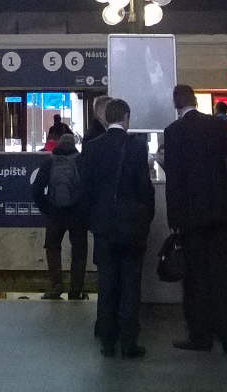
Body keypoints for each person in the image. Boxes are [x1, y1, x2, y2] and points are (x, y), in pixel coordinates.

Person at [164, 83, 227, 355]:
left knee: (196, 278)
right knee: (223, 275)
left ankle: (200, 336)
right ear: (196, 101)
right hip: (222, 213)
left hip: (191, 217)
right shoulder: (216, 126)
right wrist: (226, 186)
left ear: (176, 104)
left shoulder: (173, 132)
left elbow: (173, 180)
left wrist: (174, 218)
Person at [80, 98, 154, 358]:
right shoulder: (137, 147)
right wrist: (146, 218)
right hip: (131, 227)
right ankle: (128, 342)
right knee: (131, 285)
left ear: (106, 117)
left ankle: (108, 341)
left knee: (107, 284)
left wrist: (93, 222)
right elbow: (145, 189)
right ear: (126, 118)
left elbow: (85, 190)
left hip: (103, 228)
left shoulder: (91, 147)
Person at [31, 133, 87, 300]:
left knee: (53, 248)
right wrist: (84, 209)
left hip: (55, 213)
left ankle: (56, 285)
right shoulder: (80, 161)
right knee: (79, 252)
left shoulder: (49, 161)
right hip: (77, 214)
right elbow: (90, 188)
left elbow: (36, 189)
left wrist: (47, 208)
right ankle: (76, 290)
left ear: (58, 144)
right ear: (74, 144)